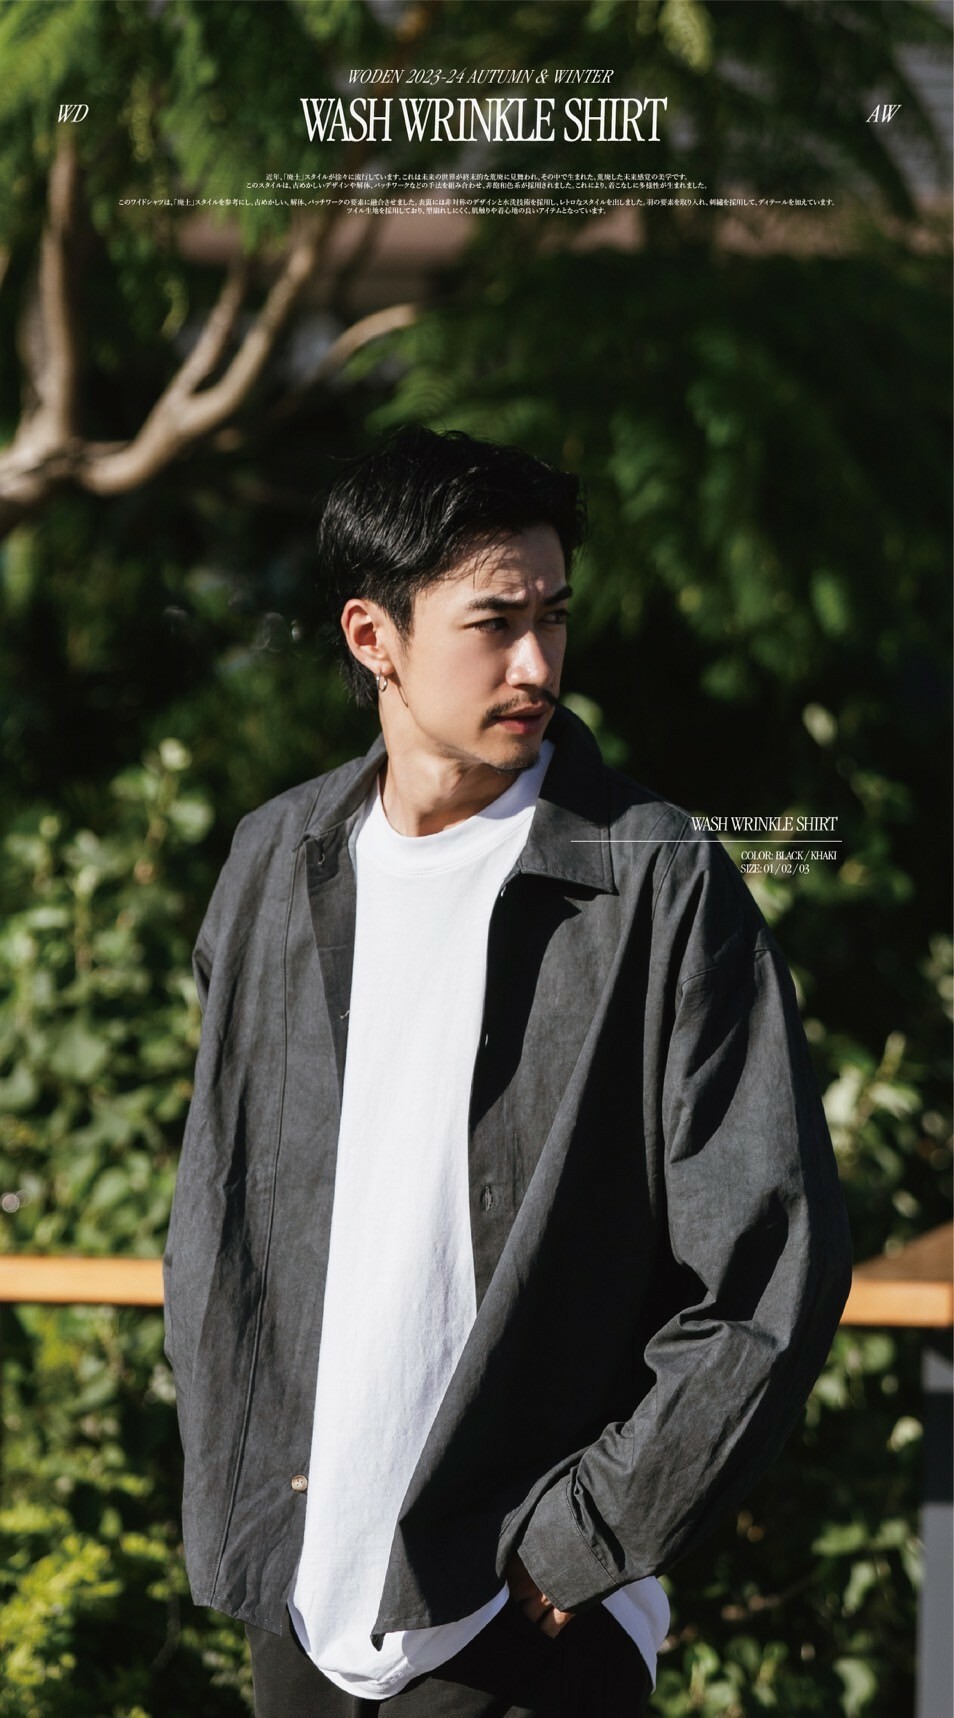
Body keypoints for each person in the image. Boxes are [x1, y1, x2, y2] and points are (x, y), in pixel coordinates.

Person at [163, 425, 852, 1718]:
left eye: (554, 616)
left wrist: (581, 1540)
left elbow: (771, 1261)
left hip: (524, 1609)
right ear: (373, 637)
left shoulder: (654, 878)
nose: (536, 662)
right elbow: (220, 1216)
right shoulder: (273, 863)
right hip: (305, 1593)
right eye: (494, 622)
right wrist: (244, 1487)